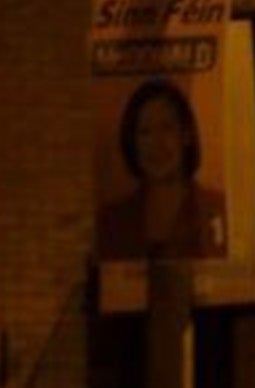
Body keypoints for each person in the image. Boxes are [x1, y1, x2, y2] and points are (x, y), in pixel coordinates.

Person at [96, 79, 228, 262]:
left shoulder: (217, 211)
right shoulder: (112, 219)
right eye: (145, 132)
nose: (156, 144)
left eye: (166, 128)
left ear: (186, 135)